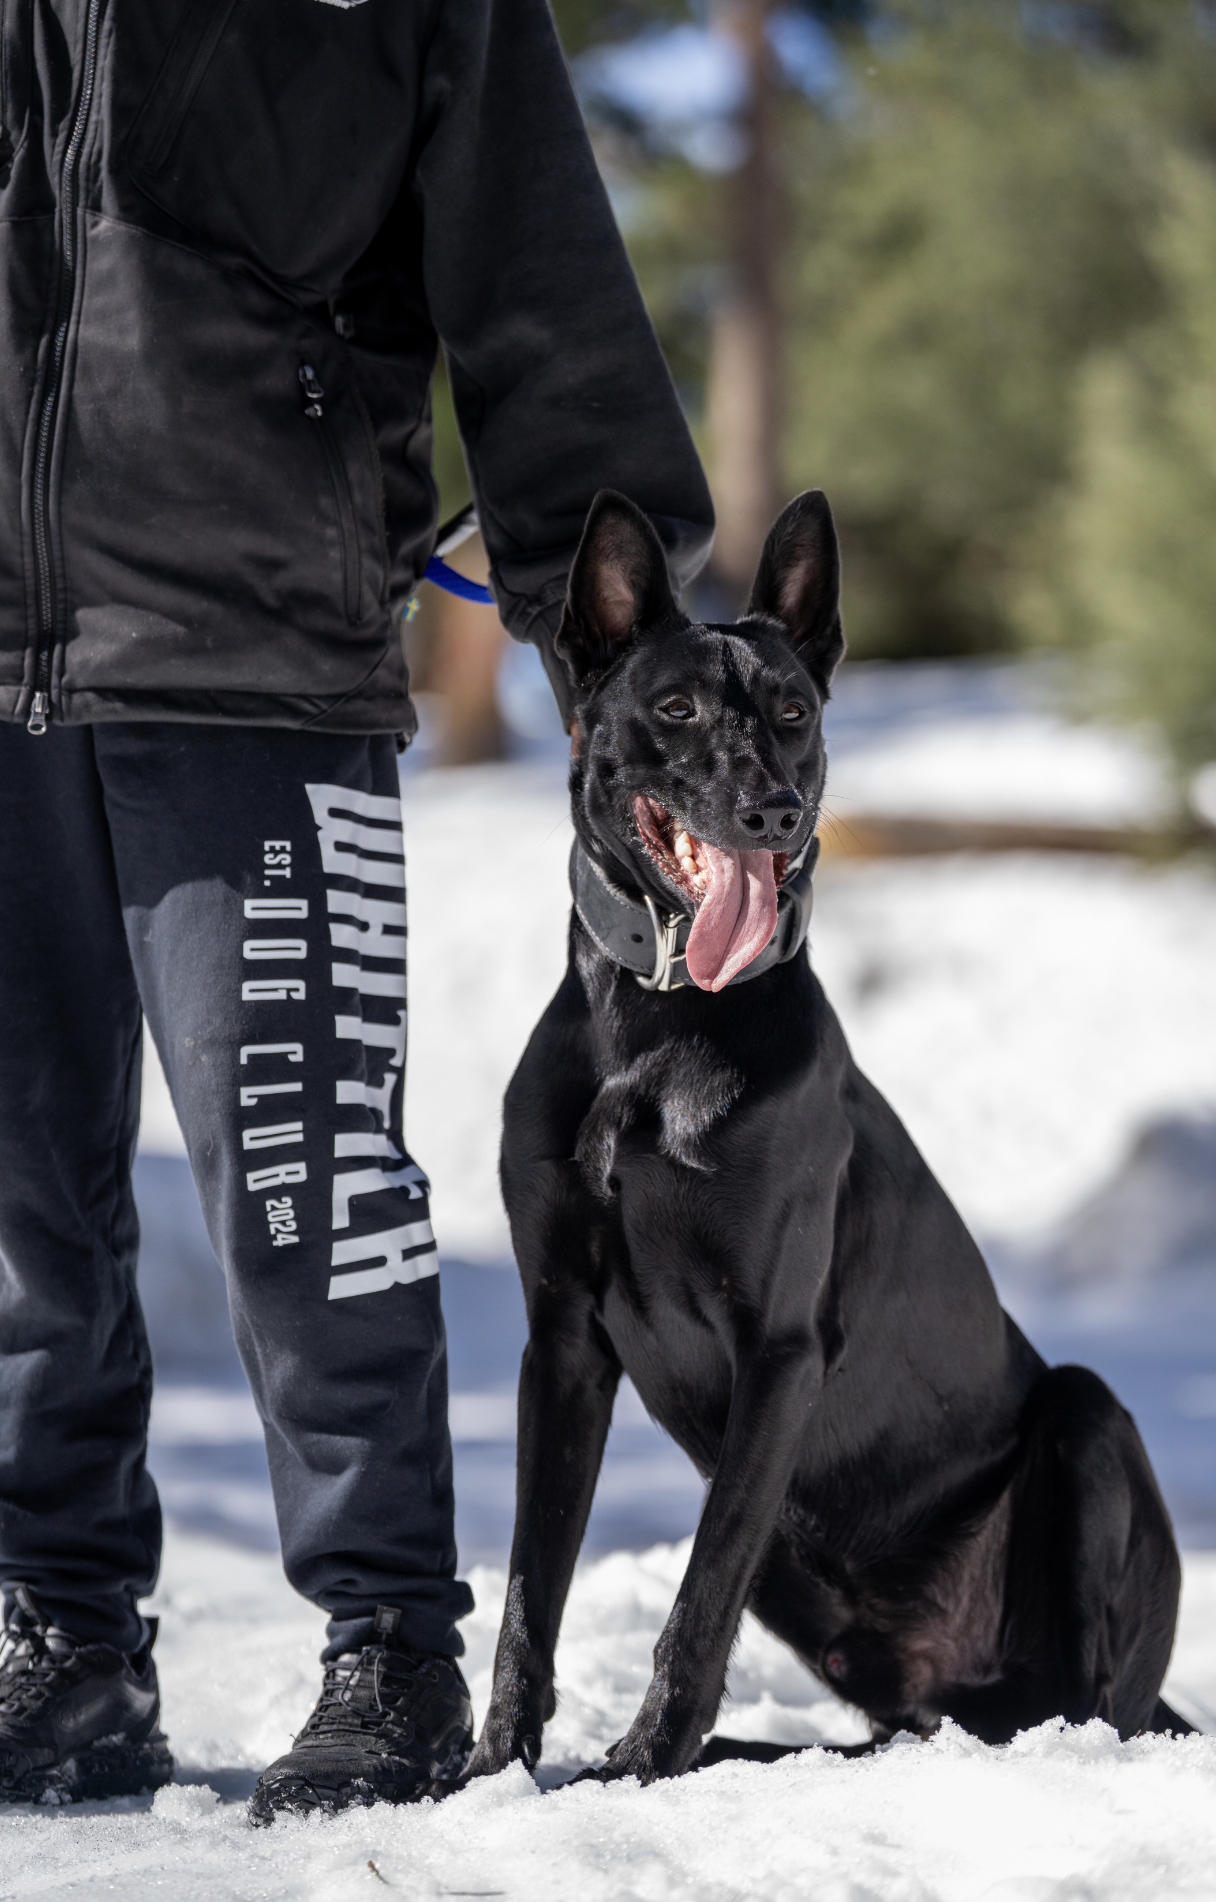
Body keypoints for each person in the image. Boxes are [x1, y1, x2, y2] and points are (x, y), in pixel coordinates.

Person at [0, 0, 713, 1819]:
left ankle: (388, 1642)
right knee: (13, 1200)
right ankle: (59, 1638)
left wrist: (618, 645)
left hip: (255, 635)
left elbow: (531, 244)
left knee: (307, 1177)